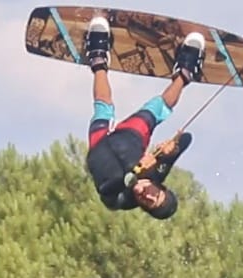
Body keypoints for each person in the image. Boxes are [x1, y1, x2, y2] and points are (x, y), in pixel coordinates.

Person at [83, 16, 205, 219]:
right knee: (157, 108)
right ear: (160, 188)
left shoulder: (123, 201)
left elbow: (106, 189)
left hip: (99, 146)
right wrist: (171, 148)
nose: (147, 196)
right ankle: (185, 71)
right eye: (154, 196)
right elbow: (186, 139)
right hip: (129, 139)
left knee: (103, 104)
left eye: (147, 203)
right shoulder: (157, 172)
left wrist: (136, 174)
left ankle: (98, 57)